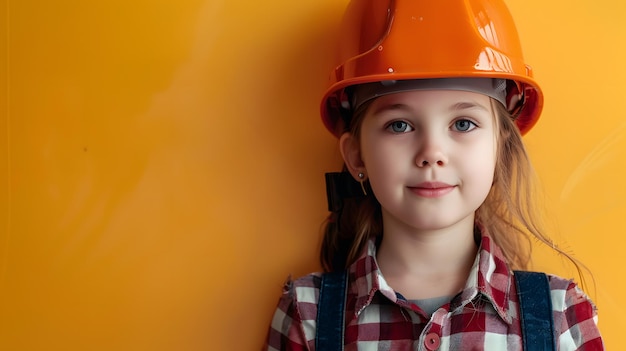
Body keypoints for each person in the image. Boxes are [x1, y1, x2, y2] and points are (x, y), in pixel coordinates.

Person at [264, 0, 604, 349]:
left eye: (463, 123)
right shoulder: (307, 315)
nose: (431, 153)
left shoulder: (561, 314)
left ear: (499, 148)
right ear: (356, 156)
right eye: (399, 125)